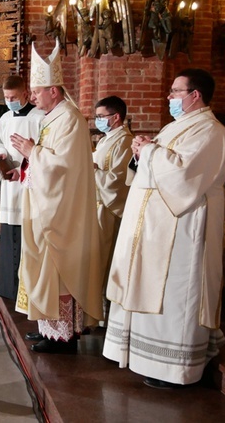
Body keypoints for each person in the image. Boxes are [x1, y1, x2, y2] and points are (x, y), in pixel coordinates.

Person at [103, 68, 225, 388]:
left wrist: (148, 150)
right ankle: (150, 359)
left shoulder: (210, 132)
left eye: (176, 92)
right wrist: (141, 155)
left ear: (195, 96)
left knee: (175, 293)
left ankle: (176, 368)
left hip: (184, 230)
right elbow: (153, 170)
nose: (169, 97)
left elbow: (185, 177)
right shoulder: (179, 127)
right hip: (156, 230)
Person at [12, 40, 105, 353]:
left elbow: (64, 166)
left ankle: (63, 337)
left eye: (37, 91)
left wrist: (32, 152)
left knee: (58, 271)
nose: (33, 96)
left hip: (61, 212)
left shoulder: (70, 119)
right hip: (45, 205)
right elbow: (46, 160)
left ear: (54, 90)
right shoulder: (52, 118)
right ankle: (48, 328)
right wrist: (28, 159)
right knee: (43, 269)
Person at [0, 75, 45, 300]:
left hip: (30, 187)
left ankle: (26, 291)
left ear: (26, 94)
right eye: (6, 97)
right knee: (10, 234)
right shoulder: (4, 119)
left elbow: (45, 152)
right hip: (10, 187)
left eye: (13, 97)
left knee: (27, 236)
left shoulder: (41, 118)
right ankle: (8, 288)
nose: (9, 101)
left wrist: (22, 169)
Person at [91, 95, 133, 317]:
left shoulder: (125, 141)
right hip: (97, 207)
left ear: (116, 117)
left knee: (105, 260)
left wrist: (94, 170)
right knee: (95, 260)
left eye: (100, 116)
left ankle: (103, 314)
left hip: (109, 209)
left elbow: (118, 180)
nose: (97, 120)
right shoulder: (106, 139)